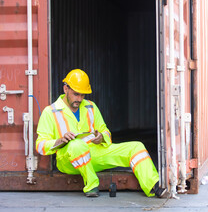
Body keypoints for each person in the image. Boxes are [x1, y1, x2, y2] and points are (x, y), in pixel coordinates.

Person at [36, 69, 166, 198]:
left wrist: (101, 137)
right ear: (66, 89)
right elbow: (40, 145)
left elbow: (105, 131)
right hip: (68, 160)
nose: (80, 99)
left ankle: (153, 185)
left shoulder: (90, 107)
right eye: (76, 94)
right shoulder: (50, 112)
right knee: (76, 145)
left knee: (136, 146)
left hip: (93, 154)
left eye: (83, 95)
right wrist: (60, 141)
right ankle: (91, 185)